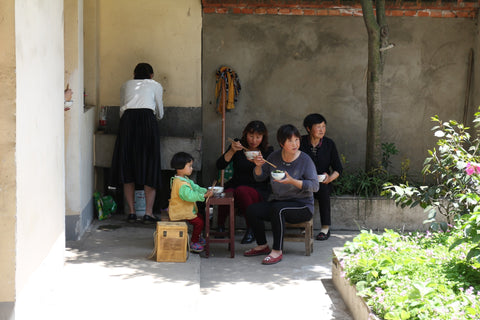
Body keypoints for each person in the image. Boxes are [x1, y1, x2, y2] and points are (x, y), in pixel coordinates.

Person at [244, 124, 319, 265]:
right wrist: (258, 166)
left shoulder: (305, 160)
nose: (295, 144)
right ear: (281, 143)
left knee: (279, 210)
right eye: (290, 141)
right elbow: (259, 177)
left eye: (297, 140)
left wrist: (292, 181)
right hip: (279, 202)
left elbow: (315, 186)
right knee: (252, 210)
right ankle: (262, 245)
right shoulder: (274, 157)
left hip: (302, 206)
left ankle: (277, 251)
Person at [110, 62, 164, 223]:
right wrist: (155, 117)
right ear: (151, 75)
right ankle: (148, 213)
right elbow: (160, 111)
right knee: (150, 166)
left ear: (134, 74)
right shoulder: (155, 85)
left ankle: (132, 212)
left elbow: (121, 109)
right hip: (148, 122)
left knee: (128, 166)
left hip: (127, 123)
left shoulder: (126, 85)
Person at [215, 120, 273, 244]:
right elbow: (220, 165)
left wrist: (259, 166)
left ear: (263, 137)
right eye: (251, 136)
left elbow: (268, 177)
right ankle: (220, 226)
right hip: (236, 184)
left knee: (241, 191)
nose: (254, 140)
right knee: (227, 192)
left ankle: (252, 228)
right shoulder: (238, 146)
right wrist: (232, 151)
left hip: (258, 188)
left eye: (258, 137)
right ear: (245, 134)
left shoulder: (267, 151)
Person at [300, 113, 342, 241]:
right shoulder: (300, 142)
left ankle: (325, 228)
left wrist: (330, 178)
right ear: (308, 128)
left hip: (323, 182)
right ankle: (305, 226)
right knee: (303, 191)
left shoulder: (329, 144)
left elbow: (338, 169)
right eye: (318, 127)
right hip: (304, 181)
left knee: (323, 190)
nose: (321, 130)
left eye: (323, 126)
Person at [169, 152, 213, 253]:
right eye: (189, 166)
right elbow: (190, 196)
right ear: (180, 167)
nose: (191, 168)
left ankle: (197, 236)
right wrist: (203, 196)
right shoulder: (181, 184)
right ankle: (194, 242)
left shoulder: (184, 179)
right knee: (199, 222)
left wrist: (205, 191)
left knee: (200, 217)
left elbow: (195, 187)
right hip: (181, 211)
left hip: (185, 210)